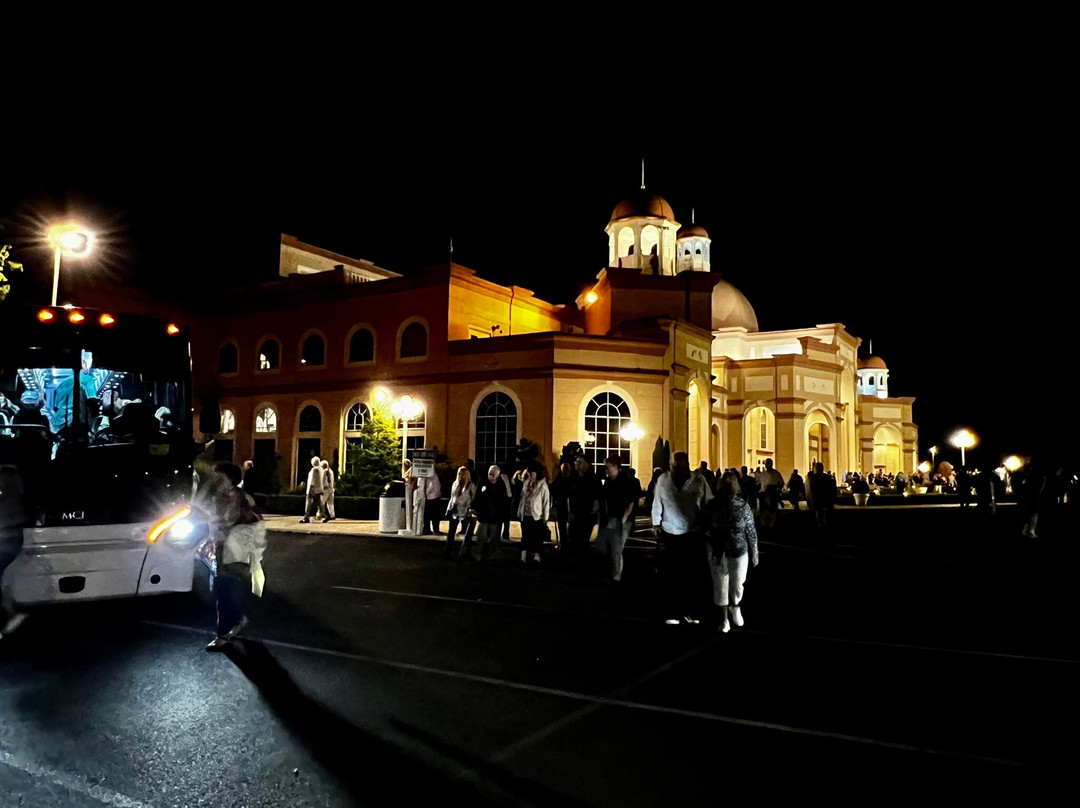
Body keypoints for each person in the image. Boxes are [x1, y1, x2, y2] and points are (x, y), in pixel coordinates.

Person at [196, 463, 267, 652]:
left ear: (229, 479)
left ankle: (224, 634)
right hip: (233, 550)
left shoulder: (232, 497)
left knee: (223, 590)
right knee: (230, 587)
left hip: (231, 550)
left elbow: (226, 519)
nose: (215, 479)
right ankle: (236, 620)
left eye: (219, 477)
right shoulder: (234, 495)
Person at [651, 452, 713, 625]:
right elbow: (657, 502)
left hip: (692, 532)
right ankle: (673, 611)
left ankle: (692, 611)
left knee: (692, 575)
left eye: (681, 466)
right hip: (670, 531)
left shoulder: (698, 480)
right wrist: (656, 522)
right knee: (671, 575)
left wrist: (707, 518)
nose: (678, 469)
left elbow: (709, 501)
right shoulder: (663, 480)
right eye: (675, 466)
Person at [705, 471, 760, 633]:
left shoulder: (742, 505)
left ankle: (735, 606)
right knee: (720, 583)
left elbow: (750, 529)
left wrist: (754, 551)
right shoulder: (713, 505)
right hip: (718, 549)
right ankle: (724, 619)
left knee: (737, 583)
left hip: (739, 550)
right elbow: (705, 525)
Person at [596, 456, 638, 582]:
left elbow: (631, 501)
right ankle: (613, 573)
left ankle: (616, 575)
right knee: (609, 547)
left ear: (615, 467)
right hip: (611, 518)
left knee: (617, 548)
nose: (606, 470)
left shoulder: (625, 481)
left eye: (608, 467)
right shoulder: (609, 481)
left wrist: (624, 518)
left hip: (621, 519)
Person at [0, 466, 28, 639]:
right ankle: (11, 612)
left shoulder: (7, 499)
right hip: (13, 543)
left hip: (7, 544)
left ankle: (10, 613)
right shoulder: (18, 497)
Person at [472, 464, 511, 562]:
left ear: (497, 475)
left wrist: (504, 515)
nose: (491, 476)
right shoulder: (483, 481)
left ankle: (492, 556)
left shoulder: (501, 484)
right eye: (490, 473)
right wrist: (474, 508)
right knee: (481, 537)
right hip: (483, 515)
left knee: (494, 538)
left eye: (493, 474)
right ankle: (478, 555)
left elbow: (504, 500)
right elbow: (477, 496)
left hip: (495, 517)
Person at [566, 455, 600, 558]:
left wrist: (594, 508)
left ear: (587, 464)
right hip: (575, 513)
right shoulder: (573, 477)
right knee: (572, 537)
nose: (576, 463)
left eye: (579, 462)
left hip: (587, 514)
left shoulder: (593, 479)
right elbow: (568, 495)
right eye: (576, 461)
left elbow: (598, 496)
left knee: (583, 539)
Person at [517, 462, 551, 564]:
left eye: (532, 472)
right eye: (529, 471)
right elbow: (522, 499)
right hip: (526, 514)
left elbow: (546, 502)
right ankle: (523, 557)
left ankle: (537, 556)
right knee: (525, 536)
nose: (530, 473)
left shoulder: (543, 485)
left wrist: (545, 517)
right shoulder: (526, 483)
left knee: (537, 537)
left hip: (537, 515)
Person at [444, 466, 476, 559]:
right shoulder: (455, 484)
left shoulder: (470, 485)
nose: (461, 476)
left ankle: (466, 551)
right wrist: (449, 508)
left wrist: (470, 508)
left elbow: (473, 497)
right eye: (459, 474)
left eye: (462, 474)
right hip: (455, 510)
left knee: (468, 533)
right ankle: (448, 551)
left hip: (466, 510)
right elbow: (452, 497)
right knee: (451, 532)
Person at [549, 461, 572, 548]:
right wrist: (553, 503)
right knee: (562, 524)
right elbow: (553, 490)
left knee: (566, 524)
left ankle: (565, 541)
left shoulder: (569, 479)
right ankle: (564, 541)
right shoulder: (559, 479)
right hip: (561, 504)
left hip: (567, 504)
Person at [757, 458, 785, 528]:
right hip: (763, 494)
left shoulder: (776, 473)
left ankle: (772, 526)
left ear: (771, 464)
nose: (767, 465)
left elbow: (781, 483)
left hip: (772, 495)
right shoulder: (763, 474)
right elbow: (759, 483)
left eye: (769, 463)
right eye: (766, 464)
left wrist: (776, 489)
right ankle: (764, 525)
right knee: (763, 511)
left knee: (772, 511)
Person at [807, 462, 836, 528]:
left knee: (818, 510)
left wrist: (813, 495)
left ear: (816, 468)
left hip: (817, 496)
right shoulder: (826, 477)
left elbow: (811, 487)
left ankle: (819, 523)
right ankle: (824, 522)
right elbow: (830, 487)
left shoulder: (813, 477)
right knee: (824, 510)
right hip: (824, 496)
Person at [300, 456, 324, 523]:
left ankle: (306, 517)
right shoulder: (321, 469)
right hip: (319, 489)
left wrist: (310, 489)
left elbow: (311, 480)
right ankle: (322, 515)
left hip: (313, 489)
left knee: (308, 503)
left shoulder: (314, 470)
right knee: (319, 503)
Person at [421, 470, 443, 535]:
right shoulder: (426, 474)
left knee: (435, 515)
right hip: (429, 496)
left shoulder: (433, 473)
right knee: (429, 515)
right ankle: (427, 529)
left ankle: (435, 529)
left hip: (435, 495)